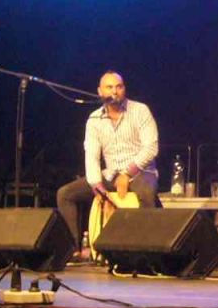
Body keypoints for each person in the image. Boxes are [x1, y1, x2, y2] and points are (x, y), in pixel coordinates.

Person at [56, 72, 160, 251]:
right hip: (111, 174)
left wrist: (127, 173)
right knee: (65, 194)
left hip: (141, 172)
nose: (115, 91)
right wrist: (97, 185)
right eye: (109, 87)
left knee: (146, 192)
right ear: (100, 91)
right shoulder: (94, 119)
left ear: (124, 89)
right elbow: (91, 155)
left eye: (119, 87)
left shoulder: (140, 110)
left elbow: (151, 148)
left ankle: (145, 249)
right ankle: (72, 250)